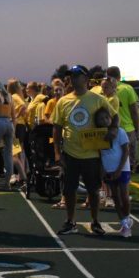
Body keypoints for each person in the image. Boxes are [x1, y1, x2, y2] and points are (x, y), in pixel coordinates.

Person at [52, 65, 118, 235]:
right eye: (71, 76)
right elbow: (57, 128)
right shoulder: (63, 101)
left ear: (85, 78)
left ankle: (95, 221)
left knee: (93, 190)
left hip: (92, 153)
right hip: (71, 153)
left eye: (76, 76)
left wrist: (112, 130)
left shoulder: (97, 99)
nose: (72, 79)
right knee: (69, 190)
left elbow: (114, 116)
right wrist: (57, 153)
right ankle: (70, 221)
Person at [94, 107, 133, 237]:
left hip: (122, 168)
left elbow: (126, 151)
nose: (104, 121)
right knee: (115, 197)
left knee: (124, 197)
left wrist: (119, 169)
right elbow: (99, 153)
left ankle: (126, 217)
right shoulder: (99, 134)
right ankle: (124, 223)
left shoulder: (120, 131)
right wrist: (103, 169)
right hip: (108, 169)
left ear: (111, 119)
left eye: (106, 118)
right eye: (101, 119)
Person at [105, 67, 139, 173]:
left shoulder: (102, 88)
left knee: (113, 155)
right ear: (119, 76)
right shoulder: (127, 88)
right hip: (127, 128)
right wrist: (137, 127)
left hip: (110, 128)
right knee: (129, 156)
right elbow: (134, 111)